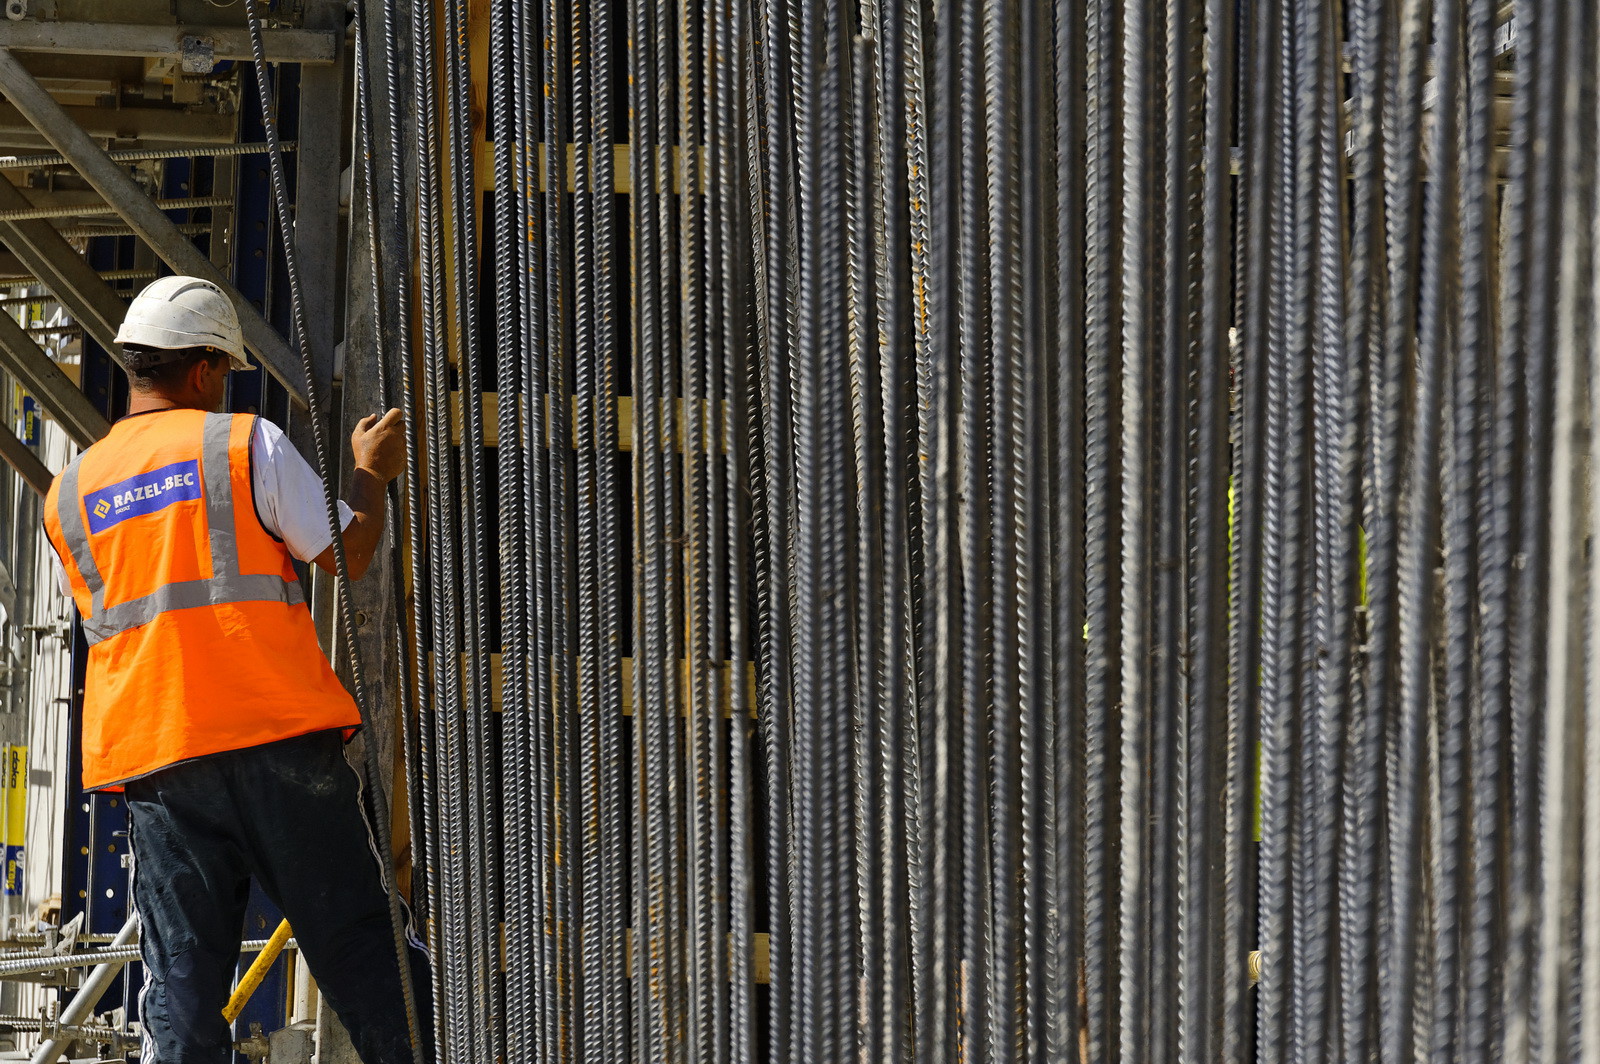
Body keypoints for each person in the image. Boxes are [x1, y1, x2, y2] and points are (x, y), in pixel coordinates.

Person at [41, 276, 428, 1064]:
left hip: (159, 762)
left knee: (181, 991)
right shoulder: (242, 443)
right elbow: (347, 552)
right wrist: (371, 473)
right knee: (363, 950)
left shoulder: (69, 492)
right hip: (278, 741)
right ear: (207, 367)